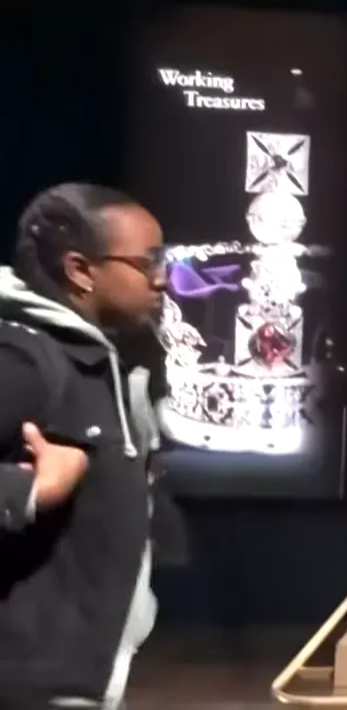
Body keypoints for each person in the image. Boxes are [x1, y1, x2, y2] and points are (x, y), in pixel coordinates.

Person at [0, 183, 166, 707]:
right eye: (148, 263)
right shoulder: (24, 358)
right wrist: (29, 489)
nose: (164, 279)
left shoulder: (100, 363)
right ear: (80, 270)